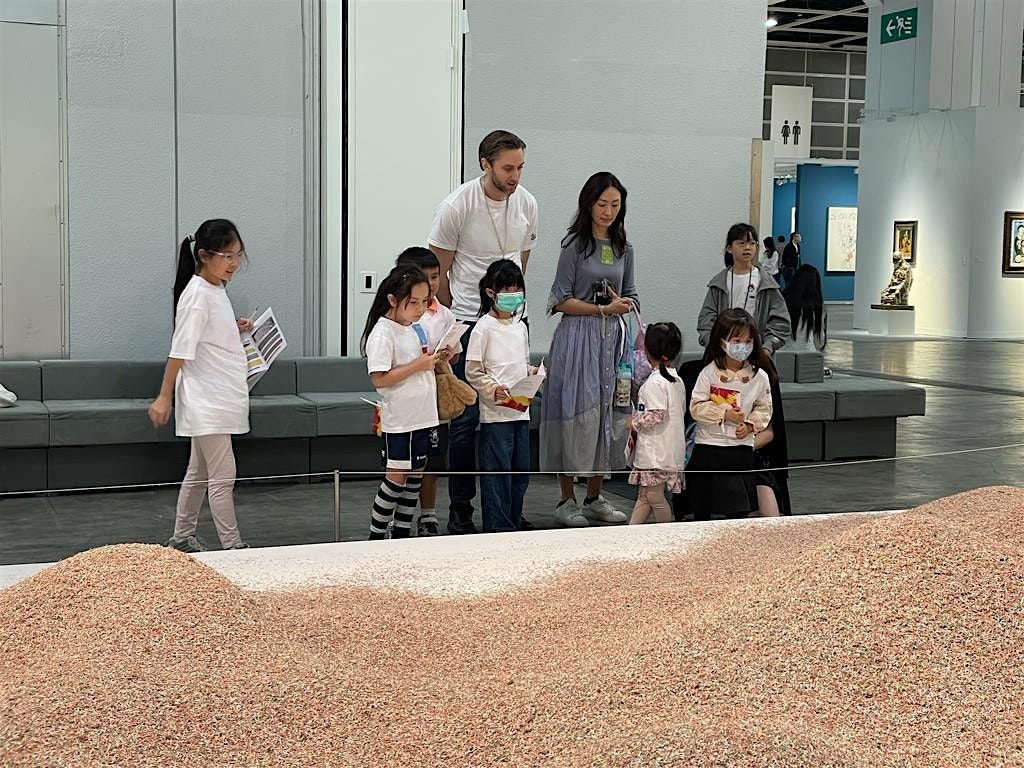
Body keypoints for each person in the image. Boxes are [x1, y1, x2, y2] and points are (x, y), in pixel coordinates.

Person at [428, 130, 539, 534]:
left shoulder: (526, 203)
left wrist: (510, 308)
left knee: (514, 411)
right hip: (468, 319)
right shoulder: (458, 206)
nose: (515, 176)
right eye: (507, 168)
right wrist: (456, 319)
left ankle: (507, 508)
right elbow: (438, 271)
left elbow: (522, 260)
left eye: (520, 167)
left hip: (512, 318)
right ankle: (461, 507)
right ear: (485, 164)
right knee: (465, 418)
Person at [148, 219, 252, 553]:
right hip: (208, 400)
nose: (234, 263)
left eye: (238, 255)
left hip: (216, 395)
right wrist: (163, 397)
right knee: (223, 475)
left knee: (199, 472)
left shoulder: (215, 289)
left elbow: (206, 335)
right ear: (205, 256)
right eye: (227, 256)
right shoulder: (197, 296)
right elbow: (179, 351)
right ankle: (233, 547)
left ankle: (181, 537)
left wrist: (233, 328)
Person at [541, 171, 637, 527]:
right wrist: (601, 309)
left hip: (612, 340)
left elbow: (632, 294)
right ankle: (566, 499)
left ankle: (595, 496)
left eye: (615, 204)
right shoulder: (574, 246)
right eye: (602, 204)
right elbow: (560, 300)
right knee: (573, 411)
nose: (608, 211)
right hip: (577, 338)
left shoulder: (624, 248)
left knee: (607, 413)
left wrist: (621, 305)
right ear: (588, 204)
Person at [361, 266, 441, 540]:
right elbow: (379, 379)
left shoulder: (411, 327)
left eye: (424, 302)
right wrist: (418, 365)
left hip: (422, 415)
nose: (420, 309)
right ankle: (376, 536)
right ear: (393, 300)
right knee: (396, 480)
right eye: (413, 302)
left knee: (414, 479)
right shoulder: (383, 333)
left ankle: (402, 534)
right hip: (402, 420)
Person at [394, 247, 462, 536]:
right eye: (426, 277)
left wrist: (448, 355)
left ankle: (428, 515)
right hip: (405, 399)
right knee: (402, 463)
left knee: (432, 459)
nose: (432, 284)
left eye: (436, 277)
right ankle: (398, 519)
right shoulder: (397, 317)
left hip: (435, 400)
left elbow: (454, 356)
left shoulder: (445, 314)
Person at [466, 260, 535, 533]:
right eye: (507, 289)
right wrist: (491, 388)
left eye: (517, 289)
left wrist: (533, 373)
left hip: (520, 411)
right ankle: (497, 529)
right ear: (491, 293)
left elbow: (522, 363)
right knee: (498, 475)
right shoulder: (483, 328)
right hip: (496, 416)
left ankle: (513, 523)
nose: (514, 295)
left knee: (520, 474)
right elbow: (473, 371)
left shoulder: (520, 327)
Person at [687, 309, 773, 520]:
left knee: (738, 510)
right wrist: (724, 415)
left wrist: (750, 425)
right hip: (708, 447)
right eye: (737, 340)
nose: (743, 346)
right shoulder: (709, 372)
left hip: (739, 450)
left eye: (748, 341)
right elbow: (696, 406)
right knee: (703, 509)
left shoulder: (759, 376)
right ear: (722, 342)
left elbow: (765, 408)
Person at [697, 223, 790, 354]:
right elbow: (706, 320)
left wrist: (767, 348)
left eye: (752, 243)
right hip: (723, 352)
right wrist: (715, 345)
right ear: (729, 248)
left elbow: (781, 322)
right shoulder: (719, 283)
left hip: (757, 352)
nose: (747, 247)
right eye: (741, 243)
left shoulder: (766, 283)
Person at [626, 322, 685, 525]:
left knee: (654, 497)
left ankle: (666, 533)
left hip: (656, 454)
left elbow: (657, 415)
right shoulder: (675, 380)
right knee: (645, 496)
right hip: (667, 451)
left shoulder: (655, 383)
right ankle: (630, 533)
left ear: (647, 350)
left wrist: (633, 421)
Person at [783, 264, 827, 352]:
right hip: (807, 353)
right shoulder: (817, 307)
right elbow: (820, 342)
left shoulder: (783, 301)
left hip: (782, 352)